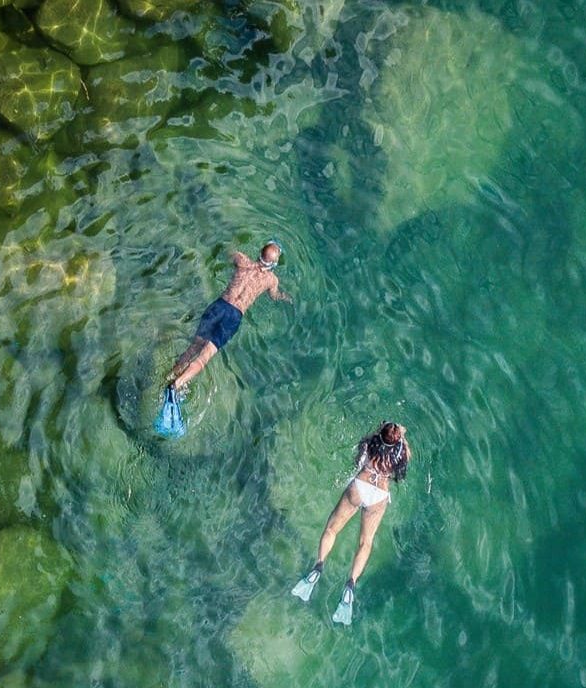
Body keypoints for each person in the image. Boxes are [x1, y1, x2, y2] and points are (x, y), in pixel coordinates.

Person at [291, 421, 411, 625]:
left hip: (360, 486)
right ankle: (350, 586)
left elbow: (358, 460)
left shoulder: (369, 442)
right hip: (379, 495)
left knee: (331, 529)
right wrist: (403, 438)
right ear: (397, 440)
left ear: (380, 434)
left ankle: (318, 567)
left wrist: (379, 432)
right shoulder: (402, 453)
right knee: (365, 543)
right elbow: (401, 472)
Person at [167, 241, 291, 391]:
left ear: (260, 253)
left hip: (219, 306)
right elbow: (274, 296)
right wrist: (285, 297)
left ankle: (171, 375)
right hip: (234, 316)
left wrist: (232, 245)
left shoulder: (242, 260)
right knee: (204, 357)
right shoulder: (272, 280)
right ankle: (177, 385)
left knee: (194, 347)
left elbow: (227, 248)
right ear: (274, 264)